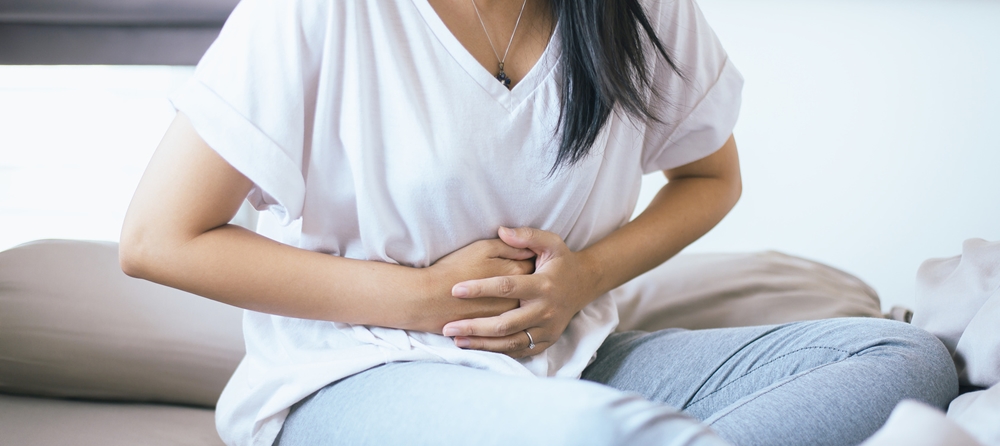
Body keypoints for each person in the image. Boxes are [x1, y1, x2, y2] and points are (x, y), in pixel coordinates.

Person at [119, 0, 958, 445]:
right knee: (595, 437)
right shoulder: (317, 10)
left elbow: (710, 176)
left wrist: (585, 279)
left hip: (576, 362)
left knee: (903, 357)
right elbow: (157, 238)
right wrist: (417, 299)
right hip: (359, 376)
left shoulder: (635, 10)